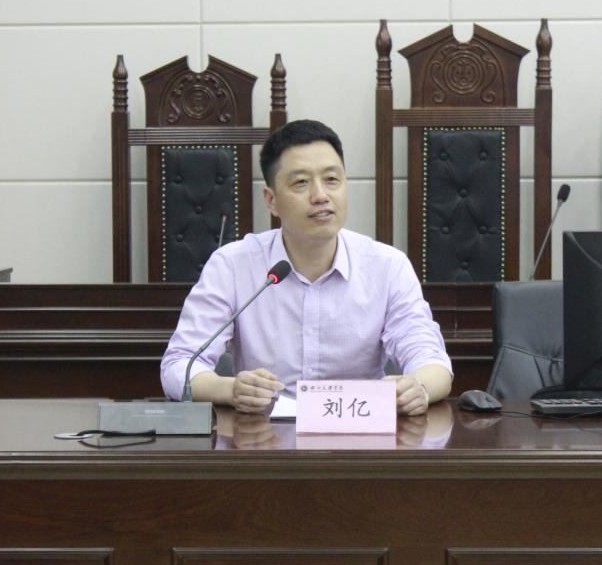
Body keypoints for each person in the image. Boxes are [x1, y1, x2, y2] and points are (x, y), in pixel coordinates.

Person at [160, 119, 452, 416]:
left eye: (332, 179)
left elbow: (433, 361)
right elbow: (179, 365)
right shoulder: (233, 265)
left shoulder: (387, 266)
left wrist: (419, 387)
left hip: (360, 431)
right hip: (264, 434)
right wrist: (230, 389)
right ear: (271, 200)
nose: (321, 195)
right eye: (301, 182)